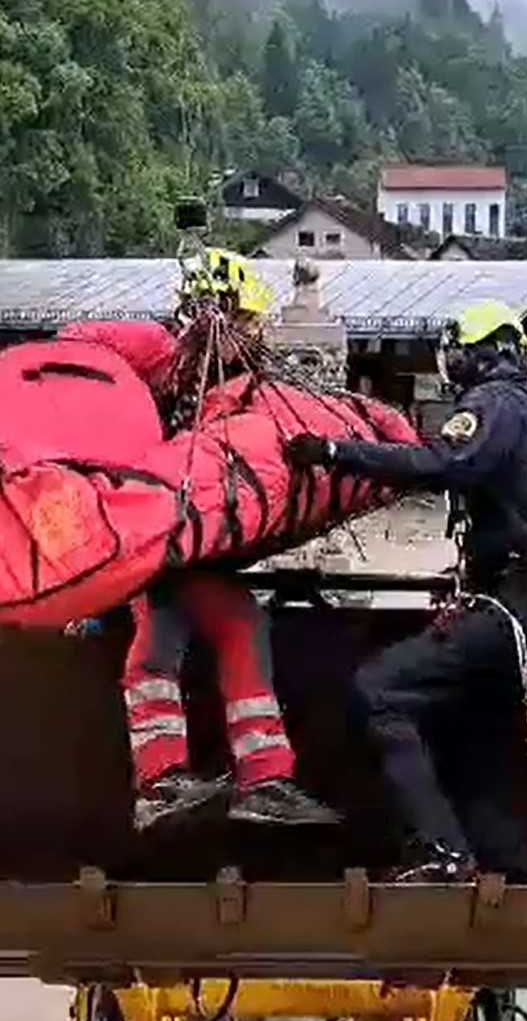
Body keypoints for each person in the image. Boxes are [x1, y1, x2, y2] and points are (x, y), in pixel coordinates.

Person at [284, 299, 527, 883]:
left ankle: (444, 856)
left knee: (379, 691)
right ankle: (522, 875)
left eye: (456, 356)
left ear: (477, 356)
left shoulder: (493, 405)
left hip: (512, 604)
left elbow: (441, 462)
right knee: (467, 742)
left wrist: (333, 452)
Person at [62, 249, 340, 832]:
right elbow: (71, 345)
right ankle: (161, 779)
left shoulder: (230, 391)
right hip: (146, 535)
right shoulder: (158, 351)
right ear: (222, 314)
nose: (256, 337)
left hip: (189, 542)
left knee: (241, 623)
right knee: (159, 631)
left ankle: (263, 778)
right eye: (249, 324)